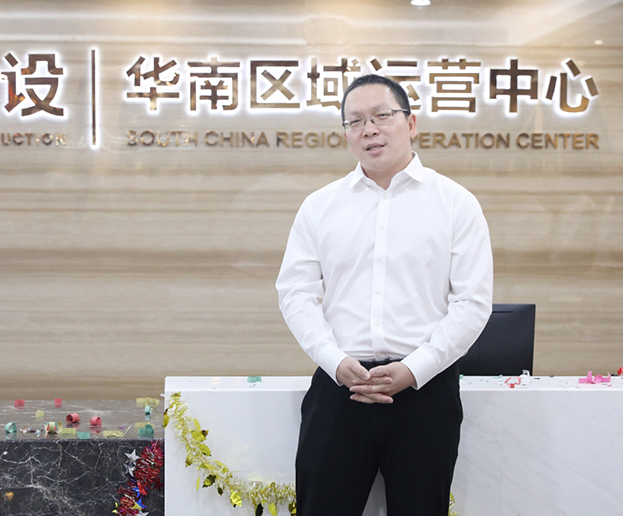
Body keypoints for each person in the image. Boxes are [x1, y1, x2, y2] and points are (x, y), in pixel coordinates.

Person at [276, 74, 493, 516]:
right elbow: (295, 292)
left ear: (410, 124)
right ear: (346, 135)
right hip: (340, 389)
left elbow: (472, 302)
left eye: (381, 116)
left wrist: (415, 369)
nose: (369, 129)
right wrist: (334, 361)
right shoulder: (320, 206)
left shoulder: (455, 203)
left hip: (424, 394)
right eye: (355, 121)